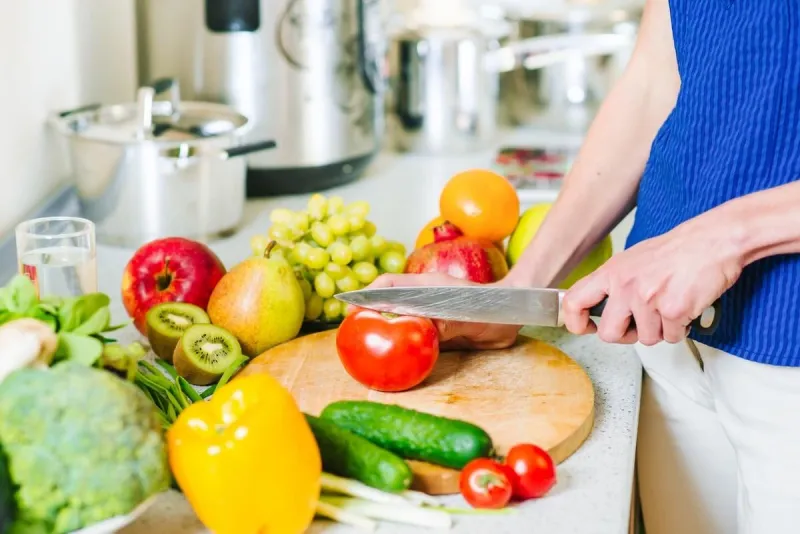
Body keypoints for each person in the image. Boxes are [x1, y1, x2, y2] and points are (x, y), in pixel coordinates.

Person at [365, 1, 800, 533]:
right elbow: (653, 82)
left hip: (788, 349)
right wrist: (521, 289)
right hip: (665, 339)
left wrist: (724, 239)